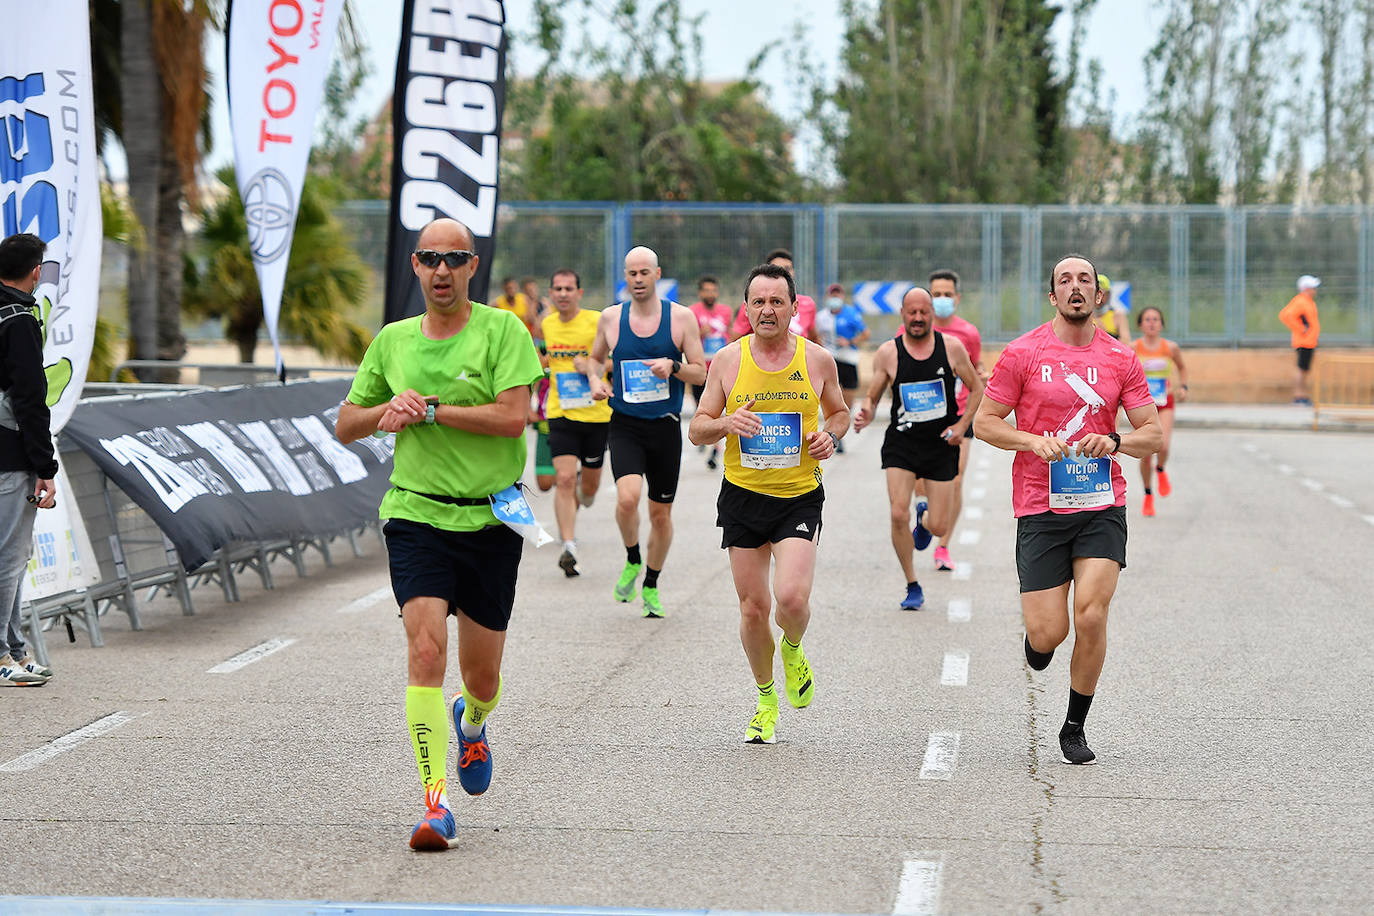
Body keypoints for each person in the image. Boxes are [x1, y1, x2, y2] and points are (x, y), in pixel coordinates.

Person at [335, 218, 544, 850]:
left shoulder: (503, 330)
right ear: (416, 267)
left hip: (490, 518)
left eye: (454, 259)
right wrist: (385, 412)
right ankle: (433, 805)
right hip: (416, 514)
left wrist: (428, 409)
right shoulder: (393, 341)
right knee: (426, 654)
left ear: (473, 266)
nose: (442, 270)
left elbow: (513, 419)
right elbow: (347, 424)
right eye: (430, 258)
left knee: (481, 679)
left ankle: (471, 722)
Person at [972, 254, 1162, 766]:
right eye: (1064, 281)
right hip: (1040, 505)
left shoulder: (1121, 358)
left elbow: (1153, 433)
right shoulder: (1023, 353)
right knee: (1048, 632)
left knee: (1092, 614)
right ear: (1051, 295)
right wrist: (1031, 442)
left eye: (1085, 280)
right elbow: (985, 423)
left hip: (1102, 504)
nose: (1075, 288)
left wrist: (1116, 440)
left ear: (1098, 296)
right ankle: (1040, 644)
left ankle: (1074, 726)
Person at [688, 262, 849, 744]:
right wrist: (725, 425)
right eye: (758, 301)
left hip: (798, 497)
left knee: (792, 600)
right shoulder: (727, 361)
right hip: (742, 496)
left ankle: (794, 648)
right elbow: (697, 426)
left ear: (794, 308)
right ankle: (764, 699)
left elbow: (838, 413)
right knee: (754, 609)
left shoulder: (817, 360)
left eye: (777, 301)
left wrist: (829, 438)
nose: (767, 310)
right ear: (746, 309)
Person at [587, 246, 707, 617]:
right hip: (625, 424)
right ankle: (633, 558)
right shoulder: (610, 318)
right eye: (631, 274)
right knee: (627, 499)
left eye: (644, 273)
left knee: (660, 515)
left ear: (657, 275)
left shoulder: (681, 318)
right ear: (625, 277)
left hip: (665, 428)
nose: (637, 280)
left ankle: (651, 585)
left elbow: (701, 371)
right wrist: (595, 380)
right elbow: (594, 359)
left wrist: (673, 366)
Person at [853, 287, 983, 611]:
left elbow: (977, 387)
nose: (918, 318)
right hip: (902, 443)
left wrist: (962, 425)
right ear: (903, 314)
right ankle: (912, 583)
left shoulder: (952, 348)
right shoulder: (888, 353)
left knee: (939, 526)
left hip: (941, 445)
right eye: (912, 312)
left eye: (924, 312)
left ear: (932, 314)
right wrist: (867, 411)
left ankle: (924, 521)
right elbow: (872, 395)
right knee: (898, 512)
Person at [0, 233, 57, 687]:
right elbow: (30, 399)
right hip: (10, 456)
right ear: (35, 271)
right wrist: (45, 466)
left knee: (11, 559)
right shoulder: (18, 318)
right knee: (9, 558)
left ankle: (15, 650)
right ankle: (2, 654)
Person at [540, 269, 610, 576]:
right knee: (565, 479)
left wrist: (591, 366)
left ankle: (583, 498)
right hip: (561, 412)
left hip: (596, 413)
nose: (563, 294)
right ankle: (569, 545)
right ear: (552, 293)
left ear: (579, 293)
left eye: (569, 288)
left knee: (589, 488)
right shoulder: (548, 323)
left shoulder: (596, 321)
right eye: (558, 289)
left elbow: (614, 359)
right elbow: (546, 362)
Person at [924, 268, 983, 571]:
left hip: (959, 414)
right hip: (922, 416)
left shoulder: (968, 333)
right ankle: (925, 515)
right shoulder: (914, 327)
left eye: (948, 294)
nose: (942, 299)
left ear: (957, 298)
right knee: (923, 483)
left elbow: (976, 367)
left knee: (956, 480)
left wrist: (981, 374)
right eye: (937, 294)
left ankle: (943, 546)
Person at [1132, 306, 1188, 517]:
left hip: (1165, 401)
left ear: (1162, 324)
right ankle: (1148, 494)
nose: (1152, 323)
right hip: (1143, 404)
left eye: (1156, 319)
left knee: (1162, 445)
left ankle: (1161, 469)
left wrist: (1183, 386)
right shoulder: (1132, 347)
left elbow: (1182, 367)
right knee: (1146, 453)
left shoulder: (1170, 347)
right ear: (1140, 324)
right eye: (1147, 319)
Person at [814, 283, 869, 455]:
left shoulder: (851, 313)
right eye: (832, 295)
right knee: (832, 394)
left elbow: (866, 333)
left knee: (849, 396)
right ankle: (835, 431)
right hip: (830, 359)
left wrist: (851, 341)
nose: (835, 299)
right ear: (828, 297)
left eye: (838, 295)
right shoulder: (821, 316)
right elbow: (814, 334)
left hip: (849, 359)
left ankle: (843, 419)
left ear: (842, 297)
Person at [729, 249, 820, 344]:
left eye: (787, 268)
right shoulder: (755, 306)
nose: (783, 272)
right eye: (777, 268)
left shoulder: (808, 304)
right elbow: (734, 340)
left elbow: (814, 337)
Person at [689, 274, 734, 470]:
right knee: (702, 408)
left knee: (719, 410)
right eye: (706, 290)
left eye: (713, 290)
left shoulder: (725, 311)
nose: (710, 294)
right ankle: (709, 439)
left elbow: (732, 334)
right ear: (700, 293)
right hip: (700, 368)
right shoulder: (692, 312)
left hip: (721, 368)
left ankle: (715, 450)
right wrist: (700, 334)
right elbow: (687, 339)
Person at [1279, 275, 1321, 405]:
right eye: (1313, 288)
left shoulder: (1308, 302)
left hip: (1309, 341)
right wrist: (1301, 329)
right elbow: (1285, 315)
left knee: (1304, 370)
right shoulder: (1300, 301)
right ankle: (1298, 396)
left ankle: (1301, 395)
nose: (1315, 290)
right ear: (1306, 288)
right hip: (1303, 341)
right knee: (1301, 369)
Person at [1093, 273, 1131, 345]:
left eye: (1103, 294)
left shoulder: (1118, 315)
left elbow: (1126, 344)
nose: (1099, 298)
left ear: (1109, 295)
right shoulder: (1084, 316)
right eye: (1096, 294)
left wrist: (1104, 334)